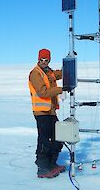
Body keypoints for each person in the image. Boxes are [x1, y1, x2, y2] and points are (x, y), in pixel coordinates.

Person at [28, 48, 66, 178]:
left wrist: (69, 66)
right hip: (41, 113)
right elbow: (42, 92)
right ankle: (43, 169)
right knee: (45, 140)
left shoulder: (48, 72)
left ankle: (52, 164)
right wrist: (61, 89)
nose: (44, 61)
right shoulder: (36, 73)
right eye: (41, 59)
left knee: (57, 137)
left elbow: (58, 74)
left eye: (46, 59)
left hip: (51, 111)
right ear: (38, 59)